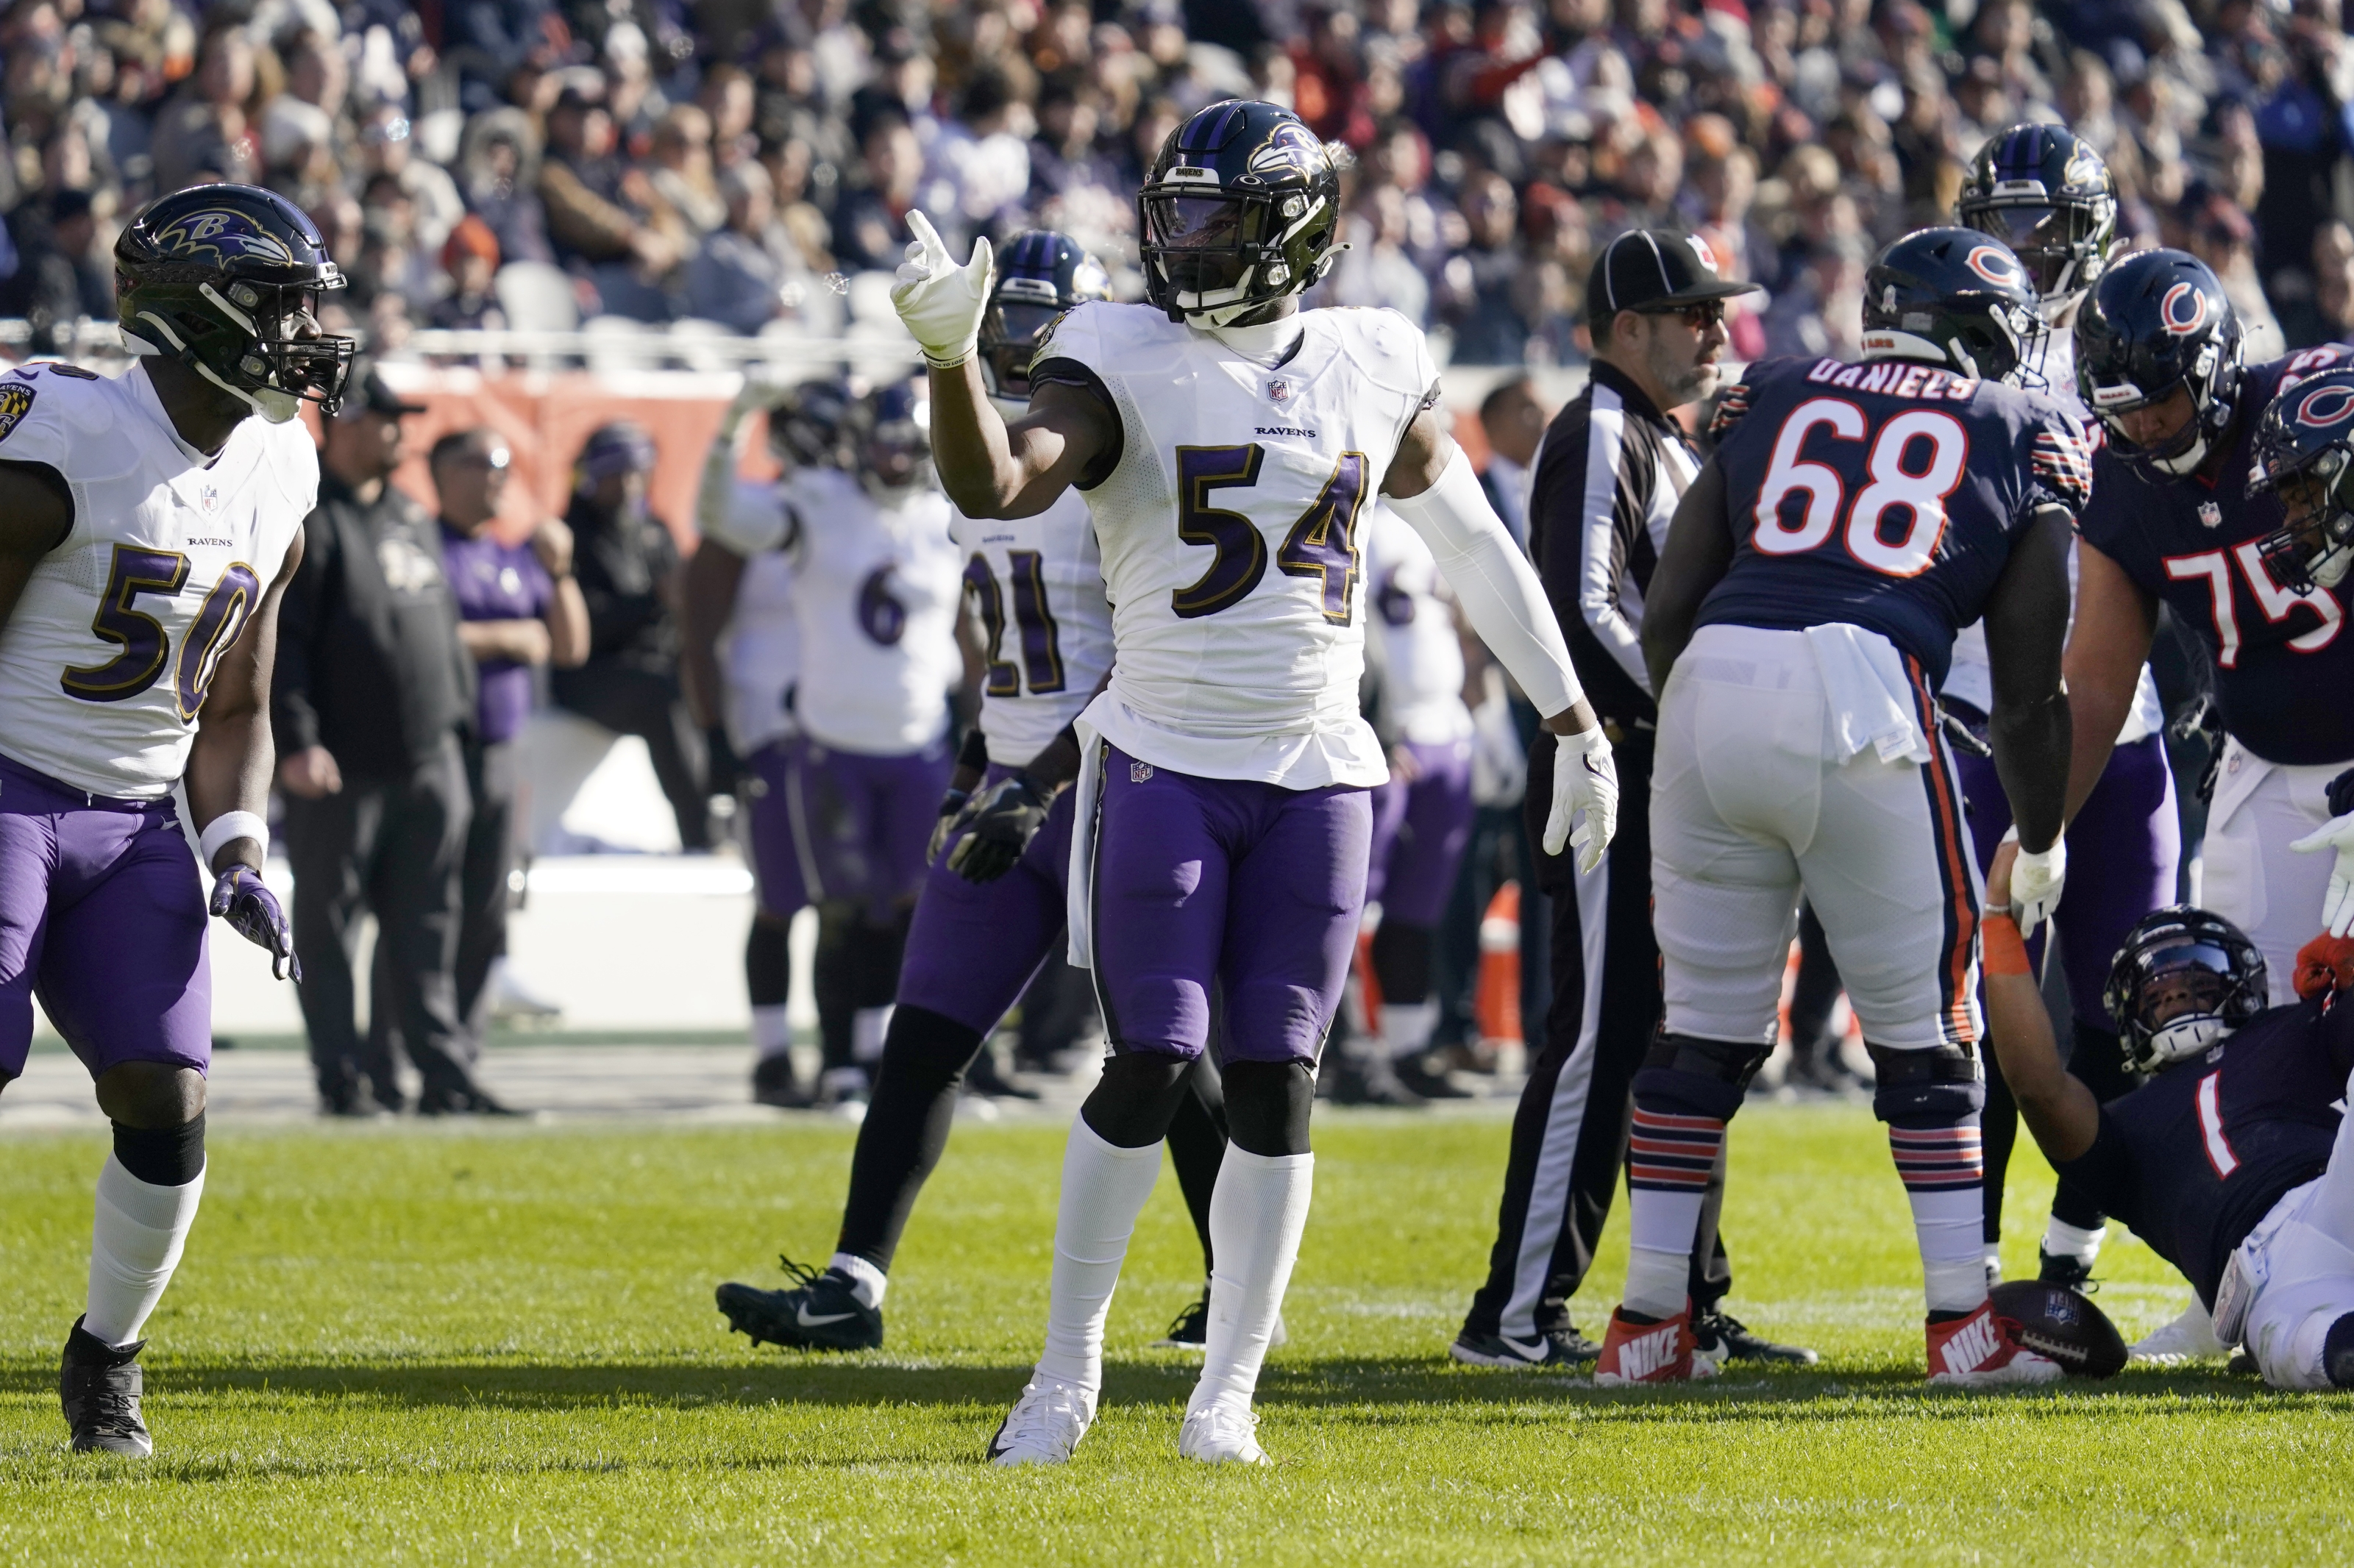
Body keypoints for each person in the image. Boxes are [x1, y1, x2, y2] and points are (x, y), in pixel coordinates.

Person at [896, 99, 1613, 1466]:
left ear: (1289, 227)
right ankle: (1064, 1376)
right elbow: (1000, 485)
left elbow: (1472, 545)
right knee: (1156, 1055)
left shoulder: (1373, 356)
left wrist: (1573, 717)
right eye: (1171, 211)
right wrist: (948, 364)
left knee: (1279, 1078)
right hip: (1164, 757)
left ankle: (1227, 1391)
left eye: (1212, 213)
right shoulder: (1113, 351)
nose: (1180, 239)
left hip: (1321, 772)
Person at [715, 231, 1242, 1353]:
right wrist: (977, 770)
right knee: (925, 1031)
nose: (1011, 340)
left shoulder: (1110, 462)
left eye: (1035, 322)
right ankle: (854, 1284)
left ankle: (1239, 1287)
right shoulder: (973, 466)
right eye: (1006, 318)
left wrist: (1042, 783)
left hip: (1110, 780)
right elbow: (998, 643)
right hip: (1011, 781)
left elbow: (1141, 652)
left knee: (1163, 1048)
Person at [1614, 227, 2086, 1386]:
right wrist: (2041, 836)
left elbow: (1671, 599)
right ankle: (1962, 1330)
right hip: (1864, 685)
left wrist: (1705, 726)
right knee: (1930, 1033)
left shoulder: (1770, 388)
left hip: (1712, 677)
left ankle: (1644, 1331)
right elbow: (2028, 693)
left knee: (1701, 1033)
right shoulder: (2026, 428)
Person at [0, 185, 340, 1453]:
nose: (306, 327)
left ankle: (106, 1359)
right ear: (194, 313)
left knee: (165, 1093)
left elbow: (240, 699)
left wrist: (239, 848)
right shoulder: (68, 437)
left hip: (138, 814)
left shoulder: (283, 461)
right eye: (280, 300)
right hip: (10, 783)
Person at [1454, 229, 1812, 1372]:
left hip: (1670, 772)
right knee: (1600, 1041)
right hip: (1618, 771)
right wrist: (1695, 702)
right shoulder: (1603, 423)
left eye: (1719, 310)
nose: (1716, 330)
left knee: (1690, 1040)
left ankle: (1690, 1300)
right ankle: (1513, 1315)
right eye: (1691, 311)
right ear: (1625, 330)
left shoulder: (1667, 437)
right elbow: (1581, 604)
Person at [2063, 251, 2354, 1354]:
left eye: (2166, 401)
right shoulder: (2123, 483)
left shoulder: (2321, 403)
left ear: (2221, 363)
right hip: (2270, 772)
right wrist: (2035, 834)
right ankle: (2250, 1264)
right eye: (2125, 411)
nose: (2147, 431)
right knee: (2246, 1048)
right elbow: (2095, 682)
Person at [1948, 126, 2180, 1292]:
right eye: (1996, 222)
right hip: (1981, 724)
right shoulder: (1949, 343)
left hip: (2122, 725)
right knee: (1973, 1012)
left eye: (2035, 222)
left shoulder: (2136, 332)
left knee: (2130, 1007)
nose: (2014, 247)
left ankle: (2072, 1259)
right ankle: (1972, 1271)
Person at [1978, 848, 2354, 1393]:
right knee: (2317, 1349)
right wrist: (2000, 930)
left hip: (2332, 1189)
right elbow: (2037, 1088)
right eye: (2159, 991)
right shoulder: (2124, 1131)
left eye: (2198, 979)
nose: (2177, 992)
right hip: (2272, 1272)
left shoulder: (2294, 1027)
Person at [276, 361, 502, 1118]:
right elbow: (285, 648)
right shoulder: (308, 520)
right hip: (343, 766)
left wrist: (460, 730)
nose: (398, 430)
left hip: (431, 759)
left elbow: (438, 631)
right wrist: (299, 741)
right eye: (382, 417)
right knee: (331, 928)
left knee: (428, 924)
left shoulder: (410, 515)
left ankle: (439, 1070)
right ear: (337, 425)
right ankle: (342, 1075)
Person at [780, 381, 967, 1109]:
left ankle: (878, 1052)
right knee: (842, 909)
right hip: (835, 738)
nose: (897, 459)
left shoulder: (945, 514)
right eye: (885, 443)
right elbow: (728, 518)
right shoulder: (822, 503)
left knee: (912, 905)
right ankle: (835, 1060)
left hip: (920, 739)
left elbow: (972, 629)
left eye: (909, 445)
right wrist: (733, 431)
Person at [678, 376, 844, 1108]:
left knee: (855, 901)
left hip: (844, 728)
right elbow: (697, 630)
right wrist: (712, 731)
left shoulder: (855, 510)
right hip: (768, 727)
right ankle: (774, 1054)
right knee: (780, 898)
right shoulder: (756, 515)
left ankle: (845, 1052)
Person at [433, 430, 588, 1051]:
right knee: (430, 901)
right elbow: (419, 634)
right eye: (483, 463)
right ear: (446, 472)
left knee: (489, 903)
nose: (498, 476)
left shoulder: (511, 555)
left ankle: (465, 1044)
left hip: (503, 750)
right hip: (443, 747)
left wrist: (562, 571)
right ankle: (417, 1039)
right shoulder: (428, 547)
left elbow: (570, 645)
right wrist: (507, 638)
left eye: (504, 464)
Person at [550, 421, 714, 852]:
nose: (628, 484)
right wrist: (652, 600)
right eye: (616, 473)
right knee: (658, 693)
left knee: (702, 680)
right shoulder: (571, 535)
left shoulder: (654, 531)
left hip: (651, 669)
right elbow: (580, 628)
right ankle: (699, 833)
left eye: (636, 472)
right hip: (589, 678)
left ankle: (725, 802)